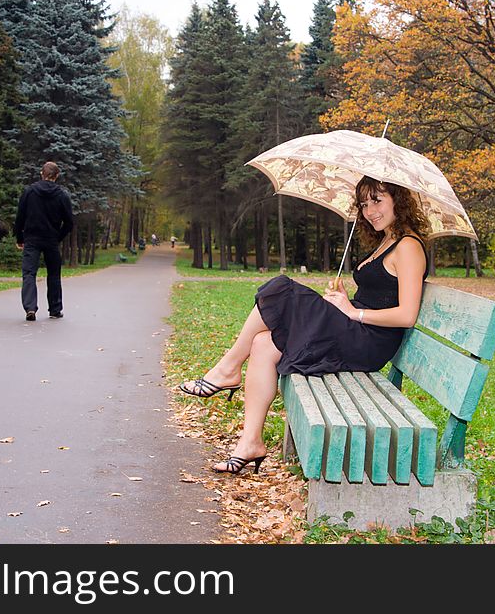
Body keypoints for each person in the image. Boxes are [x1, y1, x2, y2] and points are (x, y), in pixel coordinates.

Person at [179, 176, 429, 474]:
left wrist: (353, 312)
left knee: (281, 288)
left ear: (397, 199)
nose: (369, 210)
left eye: (377, 200)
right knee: (262, 344)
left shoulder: (409, 246)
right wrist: (344, 300)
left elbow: (406, 315)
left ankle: (228, 369)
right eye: (363, 204)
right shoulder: (387, 239)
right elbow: (379, 295)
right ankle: (250, 442)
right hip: (354, 329)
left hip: (368, 342)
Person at [14, 161, 73, 321]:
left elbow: (20, 217)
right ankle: (55, 309)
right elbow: (69, 222)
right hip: (51, 239)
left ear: (42, 173)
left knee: (29, 273)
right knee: (54, 274)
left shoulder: (29, 192)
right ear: (57, 176)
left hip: (32, 238)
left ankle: (30, 307)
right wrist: (58, 237)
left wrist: (20, 237)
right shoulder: (62, 195)